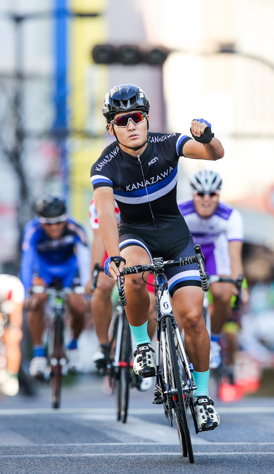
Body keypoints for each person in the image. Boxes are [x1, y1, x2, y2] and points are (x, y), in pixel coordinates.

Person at [91, 83, 224, 431]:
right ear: (112, 128)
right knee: (133, 275)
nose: (131, 125)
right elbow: (106, 213)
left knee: (193, 317)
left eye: (137, 117)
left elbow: (215, 154)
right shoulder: (105, 165)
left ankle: (202, 395)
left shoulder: (169, 144)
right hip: (136, 235)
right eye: (122, 121)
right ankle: (141, 345)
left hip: (175, 236)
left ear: (147, 119)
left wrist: (208, 136)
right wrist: (114, 255)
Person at [179, 169, 246, 369]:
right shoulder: (179, 211)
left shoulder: (231, 216)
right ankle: (177, 348)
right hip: (186, 252)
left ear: (219, 195)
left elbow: (234, 254)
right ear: (193, 194)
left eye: (212, 194)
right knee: (183, 299)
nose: (206, 199)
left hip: (215, 253)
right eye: (201, 194)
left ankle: (214, 341)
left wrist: (238, 282)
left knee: (224, 293)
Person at [87, 197, 157, 383]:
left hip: (142, 250)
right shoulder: (100, 200)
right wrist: (94, 274)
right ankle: (103, 345)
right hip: (112, 249)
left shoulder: (144, 193)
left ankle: (142, 349)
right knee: (102, 287)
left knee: (150, 304)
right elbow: (97, 239)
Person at [21, 195, 89, 379]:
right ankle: (38, 355)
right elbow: (27, 262)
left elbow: (84, 259)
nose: (54, 228)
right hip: (44, 272)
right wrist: (26, 291)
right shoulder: (32, 230)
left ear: (65, 218)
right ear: (39, 222)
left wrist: (87, 286)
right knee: (36, 301)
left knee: (79, 306)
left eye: (59, 222)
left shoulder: (76, 228)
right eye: (48, 224)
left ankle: (73, 346)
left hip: (69, 271)